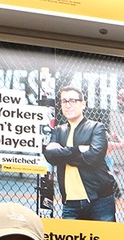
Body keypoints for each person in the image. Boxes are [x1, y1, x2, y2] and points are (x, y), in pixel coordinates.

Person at [43, 85, 116, 221]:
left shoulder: (96, 128)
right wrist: (78, 150)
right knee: (71, 236)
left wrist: (62, 153)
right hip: (70, 203)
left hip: (100, 199)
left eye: (73, 100)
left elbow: (93, 157)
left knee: (103, 235)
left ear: (83, 104)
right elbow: (50, 156)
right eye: (64, 101)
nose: (68, 105)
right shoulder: (58, 131)